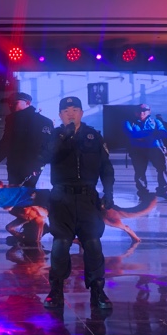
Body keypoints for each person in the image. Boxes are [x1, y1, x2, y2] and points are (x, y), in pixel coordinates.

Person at [42, 96, 115, 310]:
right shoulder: (54, 135)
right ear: (60, 115)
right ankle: (56, 290)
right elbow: (43, 157)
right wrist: (62, 137)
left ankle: (98, 290)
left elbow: (106, 167)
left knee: (92, 243)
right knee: (60, 244)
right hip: (61, 198)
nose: (70, 114)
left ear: (81, 113)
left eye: (75, 110)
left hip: (87, 198)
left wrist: (108, 192)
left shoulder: (94, 136)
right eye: (66, 111)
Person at [0, 92, 53, 187]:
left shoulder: (43, 122)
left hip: (30, 165)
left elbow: (47, 146)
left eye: (15, 103)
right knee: (19, 191)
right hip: (16, 166)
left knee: (23, 191)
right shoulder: (12, 119)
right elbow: (6, 143)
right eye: (9, 103)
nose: (11, 106)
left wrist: (38, 165)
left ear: (28, 103)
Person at [124, 104, 167, 200]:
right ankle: (143, 193)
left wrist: (141, 136)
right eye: (139, 111)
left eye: (144, 110)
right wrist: (152, 133)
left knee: (163, 169)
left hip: (155, 149)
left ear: (149, 111)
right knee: (140, 172)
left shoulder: (156, 121)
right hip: (137, 150)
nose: (141, 113)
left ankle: (163, 191)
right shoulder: (129, 122)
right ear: (135, 112)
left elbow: (164, 133)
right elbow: (131, 134)